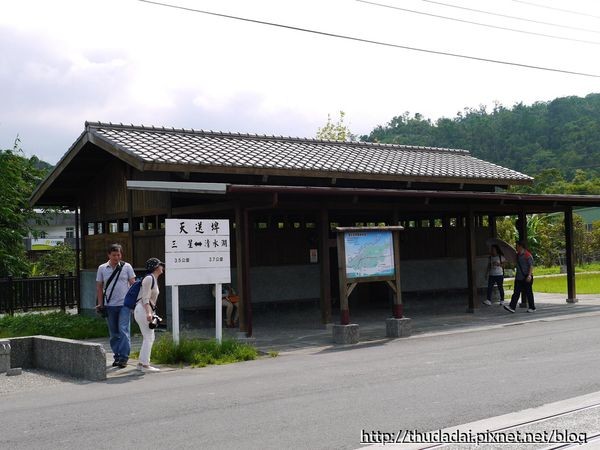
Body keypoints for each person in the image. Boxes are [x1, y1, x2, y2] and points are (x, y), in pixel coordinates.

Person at [96, 243, 136, 368]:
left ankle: (124, 357)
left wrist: (134, 302)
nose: (116, 257)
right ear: (109, 255)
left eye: (118, 254)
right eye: (114, 255)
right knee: (114, 333)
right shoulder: (102, 268)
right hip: (110, 305)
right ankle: (117, 356)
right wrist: (101, 304)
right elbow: (99, 287)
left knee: (123, 330)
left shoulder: (127, 267)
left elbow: (133, 285)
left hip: (125, 304)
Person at [134, 257, 165, 373]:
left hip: (143, 310)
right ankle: (146, 365)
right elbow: (145, 299)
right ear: (156, 267)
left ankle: (141, 363)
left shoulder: (153, 278)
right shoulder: (148, 279)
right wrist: (149, 313)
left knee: (148, 337)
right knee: (149, 337)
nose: (162, 267)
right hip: (143, 310)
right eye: (160, 265)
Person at [503, 240, 535, 313]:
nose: (516, 247)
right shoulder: (517, 255)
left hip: (526, 277)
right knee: (516, 292)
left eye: (517, 246)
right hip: (518, 277)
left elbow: (531, 266)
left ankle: (532, 307)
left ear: (521, 246)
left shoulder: (527, 255)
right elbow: (514, 262)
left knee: (528, 292)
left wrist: (529, 275)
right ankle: (512, 307)